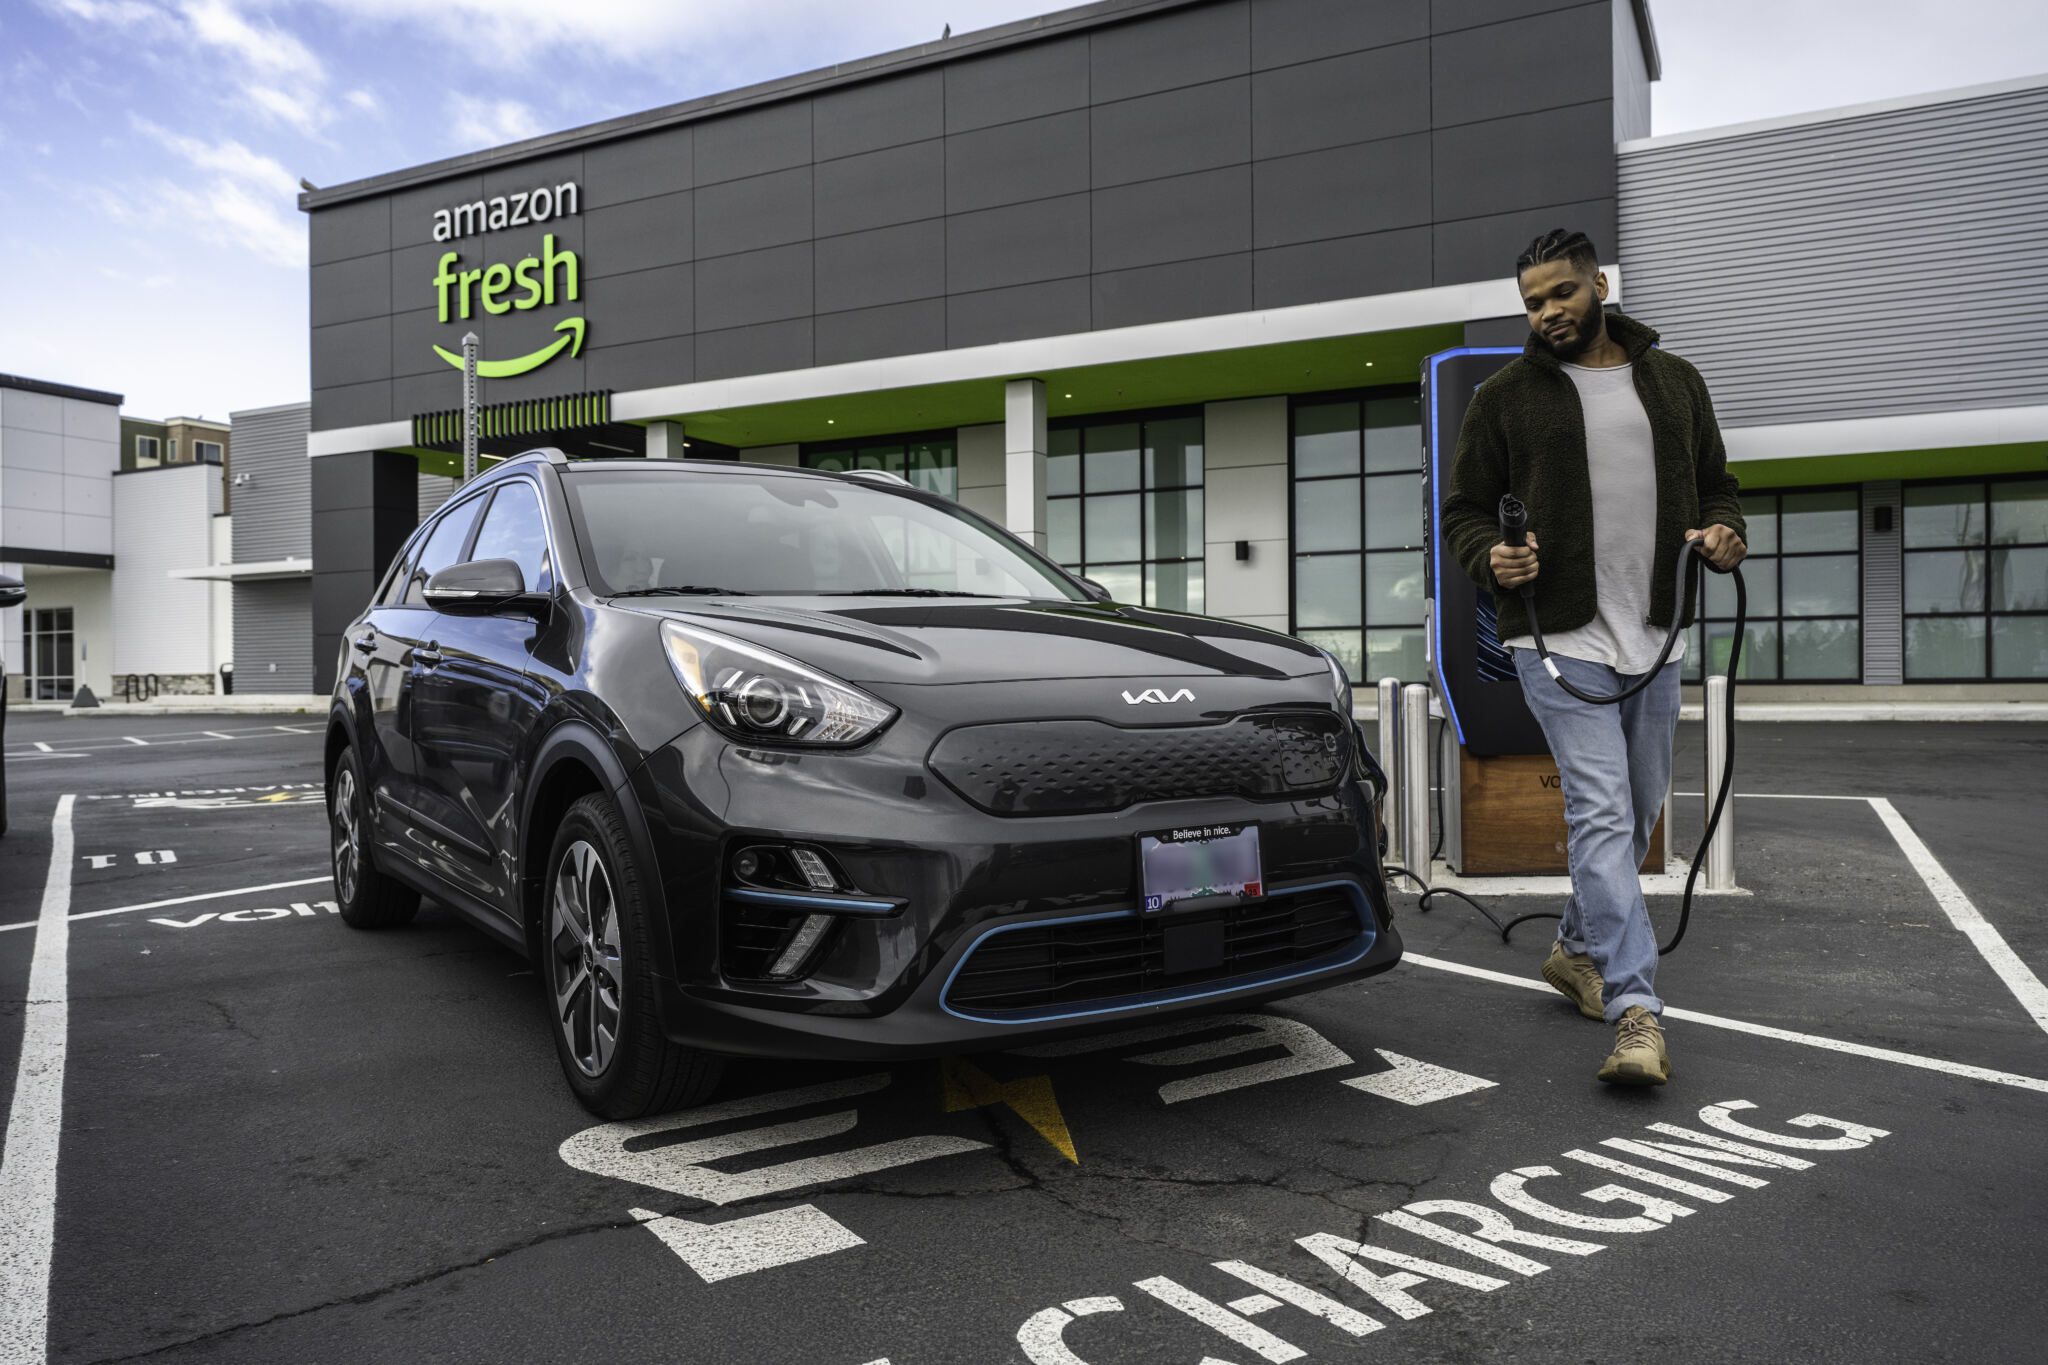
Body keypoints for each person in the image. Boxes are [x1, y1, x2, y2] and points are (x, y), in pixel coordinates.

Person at [1441, 228, 1747, 1086]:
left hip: (1653, 631)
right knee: (1605, 813)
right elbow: (1463, 509)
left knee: (1639, 804)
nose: (1547, 313)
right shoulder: (1505, 397)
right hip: (1554, 636)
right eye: (1533, 302)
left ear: (1599, 284)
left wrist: (1726, 535)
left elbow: (1719, 484)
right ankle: (1634, 1008)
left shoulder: (1676, 382)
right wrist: (1489, 557)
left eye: (1561, 294)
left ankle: (1577, 946)